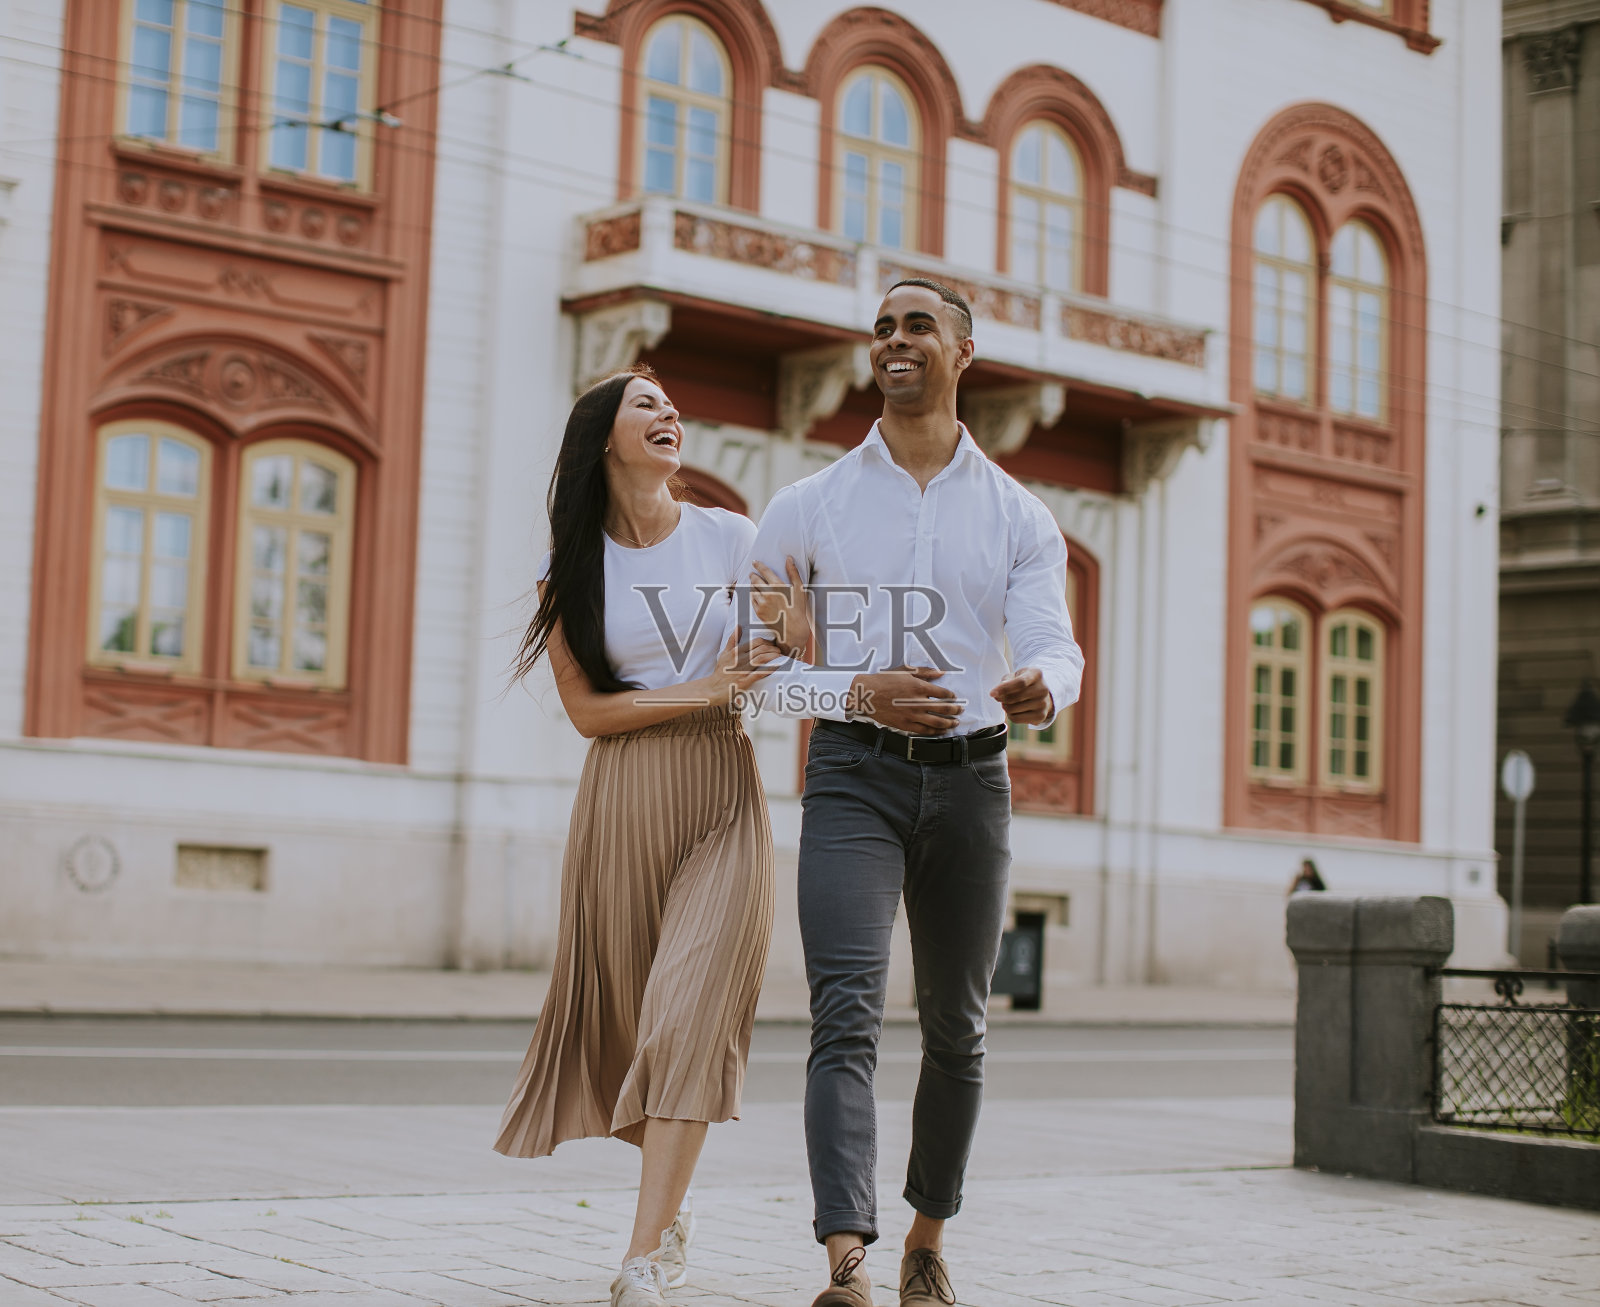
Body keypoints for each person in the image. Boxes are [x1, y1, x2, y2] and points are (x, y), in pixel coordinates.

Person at [742, 279, 1084, 1307]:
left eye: (916, 325)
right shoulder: (806, 507)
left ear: (962, 353)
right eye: (882, 327)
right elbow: (753, 666)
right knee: (842, 1011)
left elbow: (1053, 642)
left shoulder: (1020, 516)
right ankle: (845, 1256)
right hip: (850, 776)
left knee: (957, 1024)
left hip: (974, 783)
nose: (894, 340)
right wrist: (857, 687)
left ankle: (926, 1241)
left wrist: (1041, 687)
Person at [494, 366, 792, 1307]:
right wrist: (709, 684)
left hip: (723, 791)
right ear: (605, 440)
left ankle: (644, 1255)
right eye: (645, 403)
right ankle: (670, 1208)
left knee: (690, 1014)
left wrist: (798, 628)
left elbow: (790, 643)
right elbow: (586, 713)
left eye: (670, 401)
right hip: (622, 800)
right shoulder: (573, 568)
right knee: (631, 1024)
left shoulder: (732, 536)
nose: (669, 412)